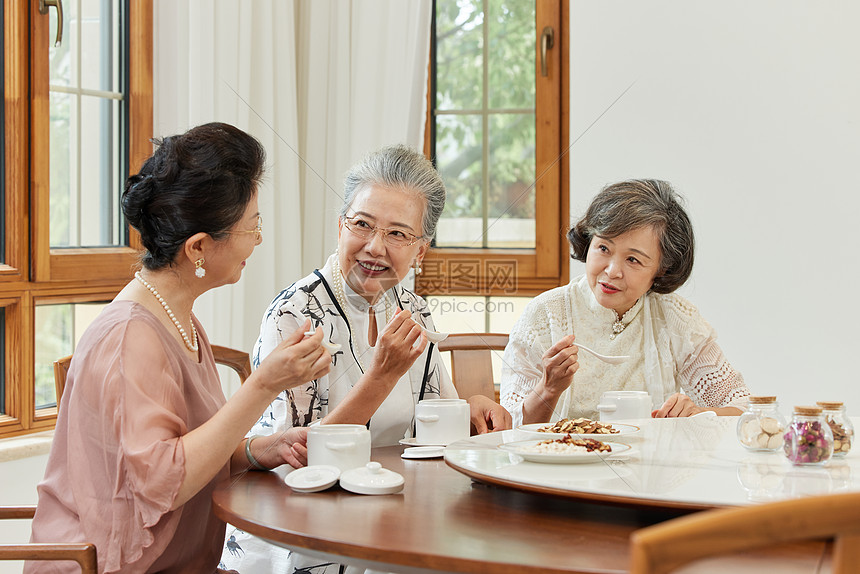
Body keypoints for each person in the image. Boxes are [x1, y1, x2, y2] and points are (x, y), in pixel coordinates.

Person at [26, 123, 332, 574]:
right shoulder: (130, 336)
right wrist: (264, 384)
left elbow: (192, 448)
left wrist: (257, 450)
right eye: (252, 226)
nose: (259, 239)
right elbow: (163, 483)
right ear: (199, 248)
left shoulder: (177, 317)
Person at [220, 144, 511, 574]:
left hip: (393, 516)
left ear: (421, 250)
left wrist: (470, 408)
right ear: (340, 226)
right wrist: (381, 377)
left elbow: (433, 421)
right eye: (362, 225)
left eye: (397, 234)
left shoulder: (414, 310)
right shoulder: (295, 314)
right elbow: (293, 459)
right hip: (302, 530)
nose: (375, 247)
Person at [500, 179, 750, 427]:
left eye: (633, 260)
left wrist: (697, 413)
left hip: (648, 467)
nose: (612, 271)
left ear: (662, 269)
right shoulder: (546, 313)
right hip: (561, 463)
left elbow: (744, 409)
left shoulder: (675, 318)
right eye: (603, 248)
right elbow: (510, 429)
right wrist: (548, 389)